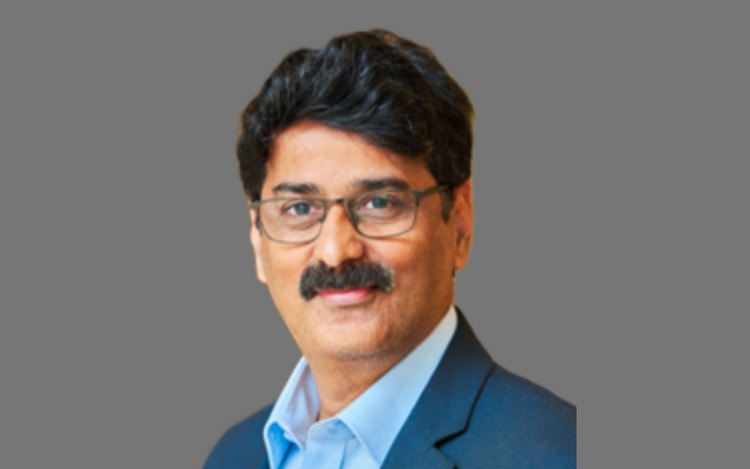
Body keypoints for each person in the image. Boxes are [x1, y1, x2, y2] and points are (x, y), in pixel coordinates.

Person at [205, 29, 575, 469]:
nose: (335, 251)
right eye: (300, 208)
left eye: (379, 204)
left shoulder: (560, 453)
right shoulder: (233, 456)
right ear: (257, 238)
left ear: (459, 224)